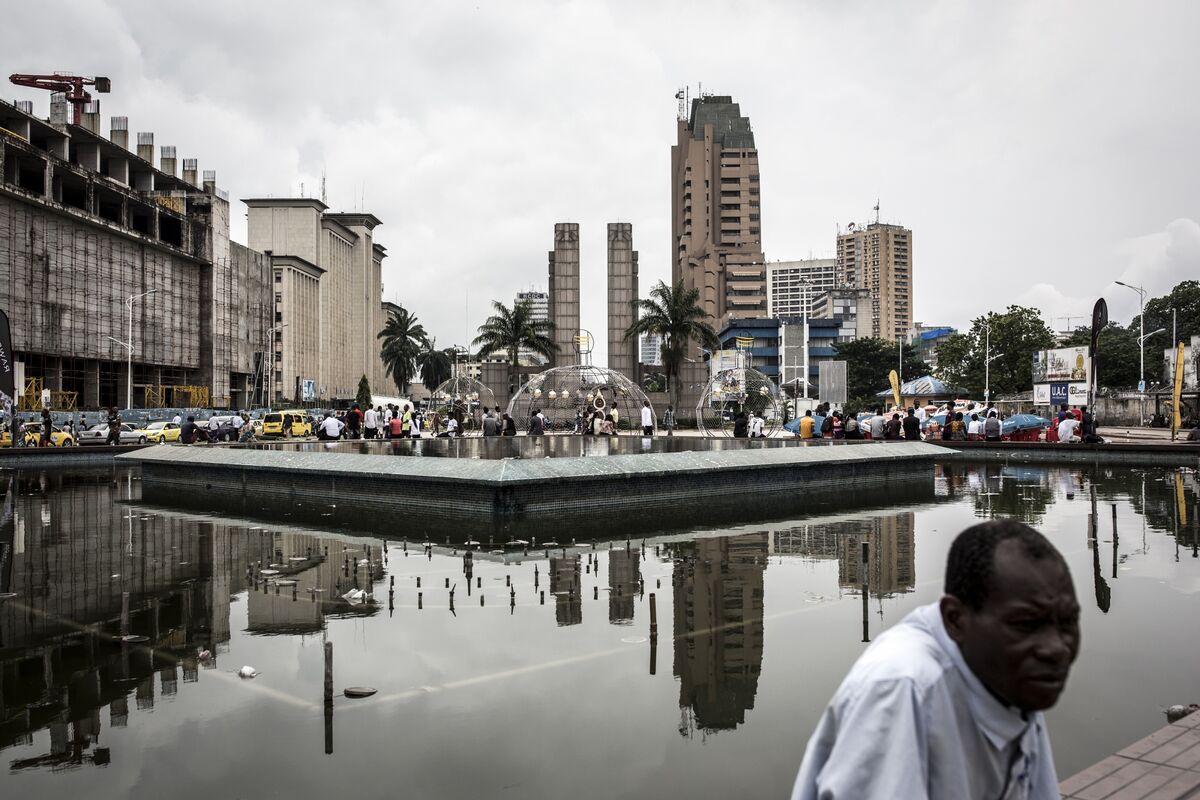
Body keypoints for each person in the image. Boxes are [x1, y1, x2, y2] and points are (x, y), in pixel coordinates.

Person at [791, 519, 1079, 800]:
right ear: (955, 619)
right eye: (1026, 624)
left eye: (1067, 622)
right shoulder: (903, 689)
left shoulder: (1014, 675)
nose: (1056, 649)